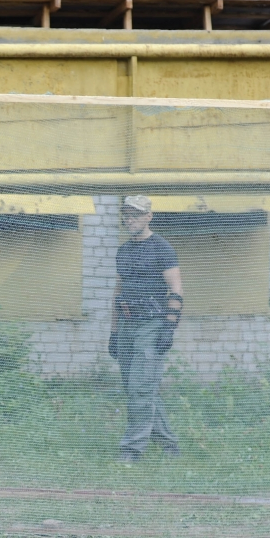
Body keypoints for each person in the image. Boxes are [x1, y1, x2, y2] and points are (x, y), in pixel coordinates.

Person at [108, 195, 183, 463]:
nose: (130, 220)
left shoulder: (162, 248)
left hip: (151, 326)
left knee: (141, 388)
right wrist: (114, 333)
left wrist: (169, 328)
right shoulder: (123, 250)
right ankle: (169, 444)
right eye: (126, 215)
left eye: (136, 215)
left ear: (149, 216)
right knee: (138, 388)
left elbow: (176, 290)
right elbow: (118, 293)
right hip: (127, 326)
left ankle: (131, 450)